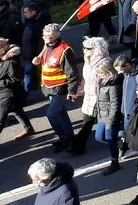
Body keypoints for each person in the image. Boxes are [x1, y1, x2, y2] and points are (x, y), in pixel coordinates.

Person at [34, 23, 78, 151]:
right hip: (49, 87)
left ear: (54, 36)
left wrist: (72, 90)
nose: (43, 38)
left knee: (52, 114)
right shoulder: (47, 46)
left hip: (60, 87)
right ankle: (69, 136)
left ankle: (63, 138)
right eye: (43, 35)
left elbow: (72, 72)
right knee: (61, 112)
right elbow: (47, 63)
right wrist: (37, 62)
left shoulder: (65, 50)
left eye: (46, 36)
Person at [69, 36, 113, 156]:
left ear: (96, 49)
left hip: (101, 99)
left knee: (105, 125)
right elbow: (85, 79)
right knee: (87, 123)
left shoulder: (105, 63)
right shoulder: (88, 61)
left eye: (88, 48)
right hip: (89, 98)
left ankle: (119, 142)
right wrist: (77, 91)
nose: (85, 50)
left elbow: (109, 82)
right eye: (84, 48)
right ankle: (77, 147)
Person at [92, 63, 124, 175]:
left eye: (100, 72)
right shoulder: (102, 82)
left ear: (107, 72)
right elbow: (98, 99)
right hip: (102, 115)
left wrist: (112, 121)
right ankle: (120, 144)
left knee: (110, 139)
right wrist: (96, 111)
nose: (98, 75)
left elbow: (115, 105)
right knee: (99, 137)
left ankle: (114, 162)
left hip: (110, 117)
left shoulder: (114, 86)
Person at [0, 37, 33, 140]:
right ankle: (28, 129)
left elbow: (16, 79)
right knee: (16, 109)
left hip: (9, 92)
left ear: (2, 51)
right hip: (5, 92)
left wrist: (0, 83)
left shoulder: (11, 62)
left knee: (1, 118)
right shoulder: (2, 60)